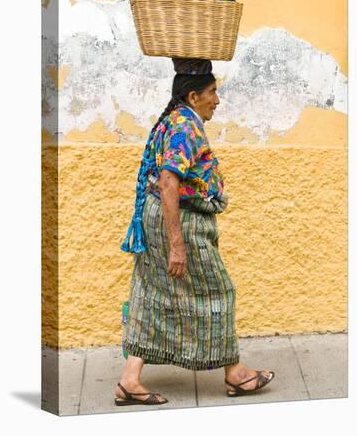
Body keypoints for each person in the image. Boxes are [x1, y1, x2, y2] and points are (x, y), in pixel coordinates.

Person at [114, 57, 275, 406]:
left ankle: (129, 379)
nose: (217, 100)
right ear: (192, 97)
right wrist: (178, 246)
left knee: (153, 293)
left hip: (154, 216)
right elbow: (170, 181)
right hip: (181, 223)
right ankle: (234, 373)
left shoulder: (173, 120)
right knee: (218, 292)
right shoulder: (185, 128)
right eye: (212, 92)